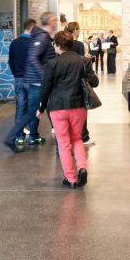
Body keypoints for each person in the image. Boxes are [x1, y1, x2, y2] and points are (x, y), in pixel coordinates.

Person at [38, 30, 99, 188]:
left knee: (63, 143)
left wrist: (41, 108)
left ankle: (71, 179)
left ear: (58, 45)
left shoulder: (53, 63)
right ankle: (82, 168)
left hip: (58, 107)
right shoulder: (83, 61)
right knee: (77, 139)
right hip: (78, 106)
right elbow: (95, 82)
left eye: (54, 44)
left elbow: (45, 89)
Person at [4, 11, 56, 151]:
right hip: (37, 82)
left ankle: (14, 137)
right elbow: (33, 58)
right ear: (49, 21)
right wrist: (44, 77)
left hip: (27, 80)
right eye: (54, 20)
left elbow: (12, 61)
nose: (56, 22)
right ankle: (16, 137)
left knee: (28, 110)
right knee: (35, 110)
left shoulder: (40, 37)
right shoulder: (42, 37)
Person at [7, 19, 37, 146]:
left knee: (20, 107)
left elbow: (11, 61)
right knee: (32, 108)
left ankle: (19, 136)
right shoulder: (35, 43)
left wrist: (16, 74)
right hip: (32, 80)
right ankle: (33, 136)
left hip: (18, 79)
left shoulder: (14, 43)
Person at [68, 22, 93, 145]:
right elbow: (81, 62)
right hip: (78, 80)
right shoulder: (78, 45)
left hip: (65, 80)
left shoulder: (64, 44)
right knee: (81, 110)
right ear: (76, 30)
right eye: (79, 30)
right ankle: (84, 136)